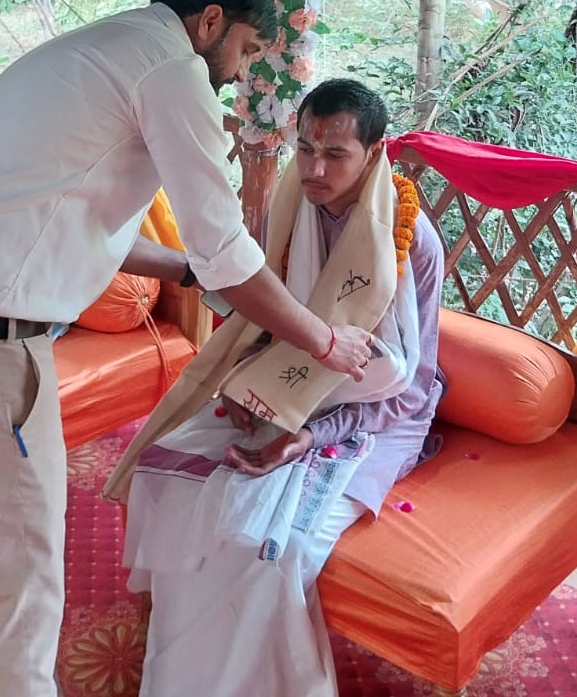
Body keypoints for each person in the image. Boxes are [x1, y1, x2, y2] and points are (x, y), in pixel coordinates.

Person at [0, 0, 376, 696]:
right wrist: (325, 339)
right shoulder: (173, 72)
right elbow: (226, 252)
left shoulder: (97, 48)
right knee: (19, 578)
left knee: (4, 559)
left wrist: (183, 270)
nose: (240, 72)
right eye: (247, 49)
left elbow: (76, 216)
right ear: (210, 22)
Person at [120, 79, 445, 696]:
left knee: (275, 548)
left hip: (376, 414)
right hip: (290, 385)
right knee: (166, 473)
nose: (315, 170)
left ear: (375, 153)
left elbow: (413, 385)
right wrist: (247, 387)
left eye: (336, 154)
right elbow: (268, 328)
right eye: (306, 150)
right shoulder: (290, 210)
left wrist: (311, 434)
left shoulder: (412, 241)